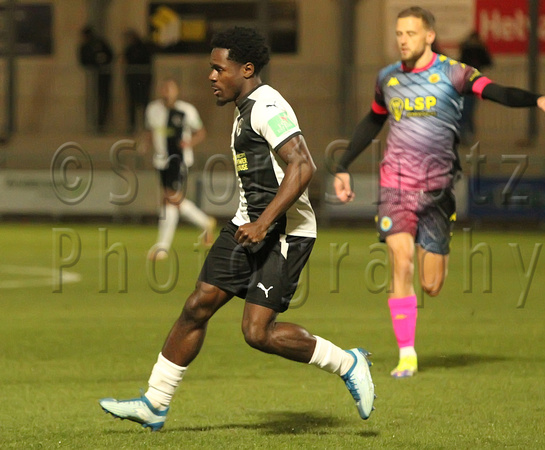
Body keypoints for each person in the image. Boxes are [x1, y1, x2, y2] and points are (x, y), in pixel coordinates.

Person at [99, 27, 375, 430]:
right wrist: (254, 221)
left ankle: (348, 362)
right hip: (247, 225)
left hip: (283, 233)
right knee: (198, 304)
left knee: (257, 333)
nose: (211, 76)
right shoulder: (243, 108)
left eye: (218, 69)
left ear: (246, 69)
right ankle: (155, 403)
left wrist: (265, 224)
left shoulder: (267, 106)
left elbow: (303, 166)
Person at [333, 6, 545, 379]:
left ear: (429, 36)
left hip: (439, 190)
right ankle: (407, 354)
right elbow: (374, 119)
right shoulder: (387, 78)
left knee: (432, 284)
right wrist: (343, 165)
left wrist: (535, 99)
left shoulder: (454, 73)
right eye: (398, 33)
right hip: (396, 185)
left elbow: (495, 91)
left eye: (410, 33)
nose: (403, 40)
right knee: (400, 259)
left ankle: (439, 252)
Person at [142, 77, 216, 256]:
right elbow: (151, 131)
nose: (167, 92)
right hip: (161, 160)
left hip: (179, 159)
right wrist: (145, 144)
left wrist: (189, 142)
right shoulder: (153, 109)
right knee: (170, 200)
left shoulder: (186, 110)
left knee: (171, 198)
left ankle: (162, 248)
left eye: (171, 88)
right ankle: (205, 223)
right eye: (164, 88)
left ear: (177, 91)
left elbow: (201, 132)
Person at [458, 31, 493, 144]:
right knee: (468, 108)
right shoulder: (473, 50)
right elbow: (488, 62)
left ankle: (466, 132)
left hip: (468, 83)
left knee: (467, 108)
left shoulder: (468, 49)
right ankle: (467, 132)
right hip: (471, 83)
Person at [78, 26, 113, 133]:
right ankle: (94, 124)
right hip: (92, 77)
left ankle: (100, 124)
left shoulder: (99, 43)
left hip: (102, 75)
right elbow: (83, 60)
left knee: (102, 99)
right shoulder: (85, 46)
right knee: (93, 100)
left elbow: (110, 55)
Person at [122, 29, 154, 134]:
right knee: (133, 104)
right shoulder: (133, 48)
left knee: (143, 104)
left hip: (141, 79)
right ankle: (133, 126)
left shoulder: (141, 48)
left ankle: (144, 126)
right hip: (135, 79)